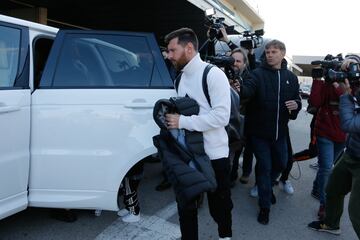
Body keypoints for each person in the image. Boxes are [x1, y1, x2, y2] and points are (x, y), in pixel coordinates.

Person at [164, 27, 232, 240]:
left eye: (173, 50)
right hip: (187, 155)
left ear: (190, 48)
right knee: (185, 207)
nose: (169, 55)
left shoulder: (213, 74)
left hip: (214, 155)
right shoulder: (179, 79)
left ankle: (225, 236)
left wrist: (182, 121)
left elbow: (222, 117)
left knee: (219, 207)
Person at [240, 39, 301, 224]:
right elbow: (246, 91)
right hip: (259, 132)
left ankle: (264, 185)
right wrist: (238, 88)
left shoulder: (291, 77)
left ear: (282, 53)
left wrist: (296, 105)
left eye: (274, 51)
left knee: (281, 164)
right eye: (267, 52)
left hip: (280, 133)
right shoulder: (256, 74)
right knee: (265, 167)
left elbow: (296, 99)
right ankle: (264, 206)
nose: (269, 55)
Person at [308, 55, 360, 237]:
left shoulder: (351, 89)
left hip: (347, 141)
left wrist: (345, 90)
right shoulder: (344, 84)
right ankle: (328, 217)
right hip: (341, 143)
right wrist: (319, 80)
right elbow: (315, 102)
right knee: (329, 178)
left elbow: (350, 120)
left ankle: (327, 212)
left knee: (356, 212)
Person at [309, 60, 347, 220]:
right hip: (325, 132)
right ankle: (325, 205)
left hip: (343, 135)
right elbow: (315, 102)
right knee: (326, 167)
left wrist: (338, 85)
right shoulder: (326, 84)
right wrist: (318, 80)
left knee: (328, 166)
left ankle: (317, 188)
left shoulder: (352, 85)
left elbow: (348, 100)